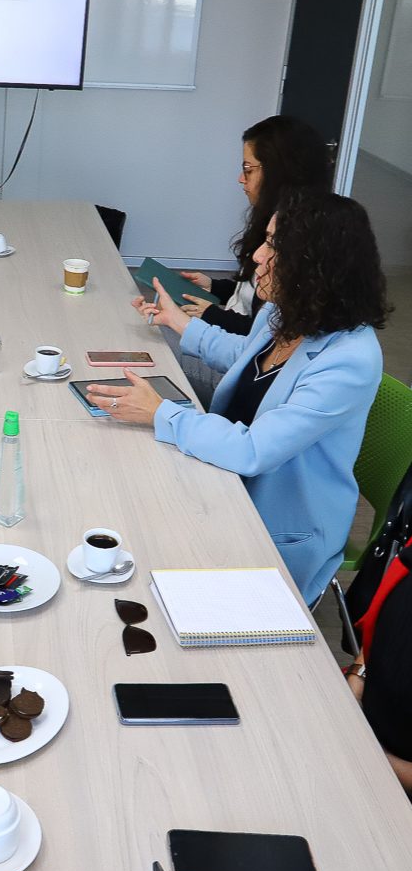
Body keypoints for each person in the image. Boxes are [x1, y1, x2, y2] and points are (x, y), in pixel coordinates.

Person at [88, 190, 389, 605]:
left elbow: (255, 450)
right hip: (223, 476)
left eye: (274, 246)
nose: (258, 257)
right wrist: (179, 323)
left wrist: (163, 414)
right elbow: (245, 358)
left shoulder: (350, 359)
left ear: (316, 263)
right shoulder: (286, 310)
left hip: (273, 521)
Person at [177, 115, 331, 335]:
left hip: (241, 353)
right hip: (228, 341)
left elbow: (272, 336)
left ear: (278, 171)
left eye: (248, 169)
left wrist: (212, 315)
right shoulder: (274, 219)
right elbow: (253, 293)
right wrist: (213, 287)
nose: (241, 178)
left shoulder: (301, 239)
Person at [345, 536, 412, 794]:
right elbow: (383, 620)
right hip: (363, 724)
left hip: (394, 783)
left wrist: (373, 757)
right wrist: (356, 679)